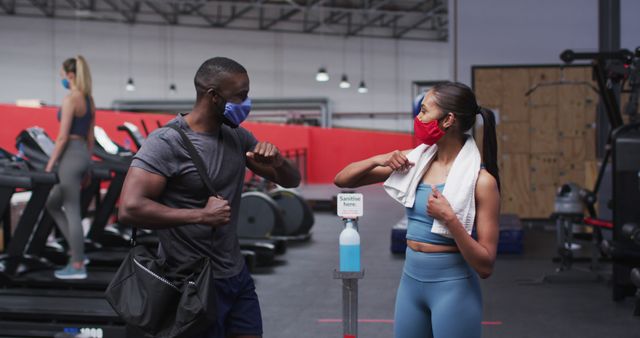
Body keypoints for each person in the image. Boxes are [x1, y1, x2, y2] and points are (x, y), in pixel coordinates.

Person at [118, 57, 301, 338]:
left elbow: (292, 180)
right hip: (190, 281)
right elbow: (129, 209)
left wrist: (277, 162)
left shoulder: (236, 136)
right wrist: (201, 216)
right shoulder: (166, 142)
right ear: (213, 96)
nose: (247, 102)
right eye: (240, 95)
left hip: (235, 276)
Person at [334, 82, 501, 338]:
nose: (418, 118)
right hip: (410, 284)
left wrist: (450, 220)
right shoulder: (414, 162)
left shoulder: (482, 181)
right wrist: (378, 158)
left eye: (424, 111)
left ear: (448, 120)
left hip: (453, 288)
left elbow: (486, 266)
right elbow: (343, 179)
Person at [45, 55, 95, 280]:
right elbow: (91, 136)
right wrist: (89, 165)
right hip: (82, 153)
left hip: (70, 156)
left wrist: (50, 165)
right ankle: (78, 251)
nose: (63, 79)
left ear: (71, 75)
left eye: (63, 75)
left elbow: (62, 137)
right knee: (52, 203)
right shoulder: (89, 100)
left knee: (71, 209)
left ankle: (77, 265)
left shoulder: (70, 99)